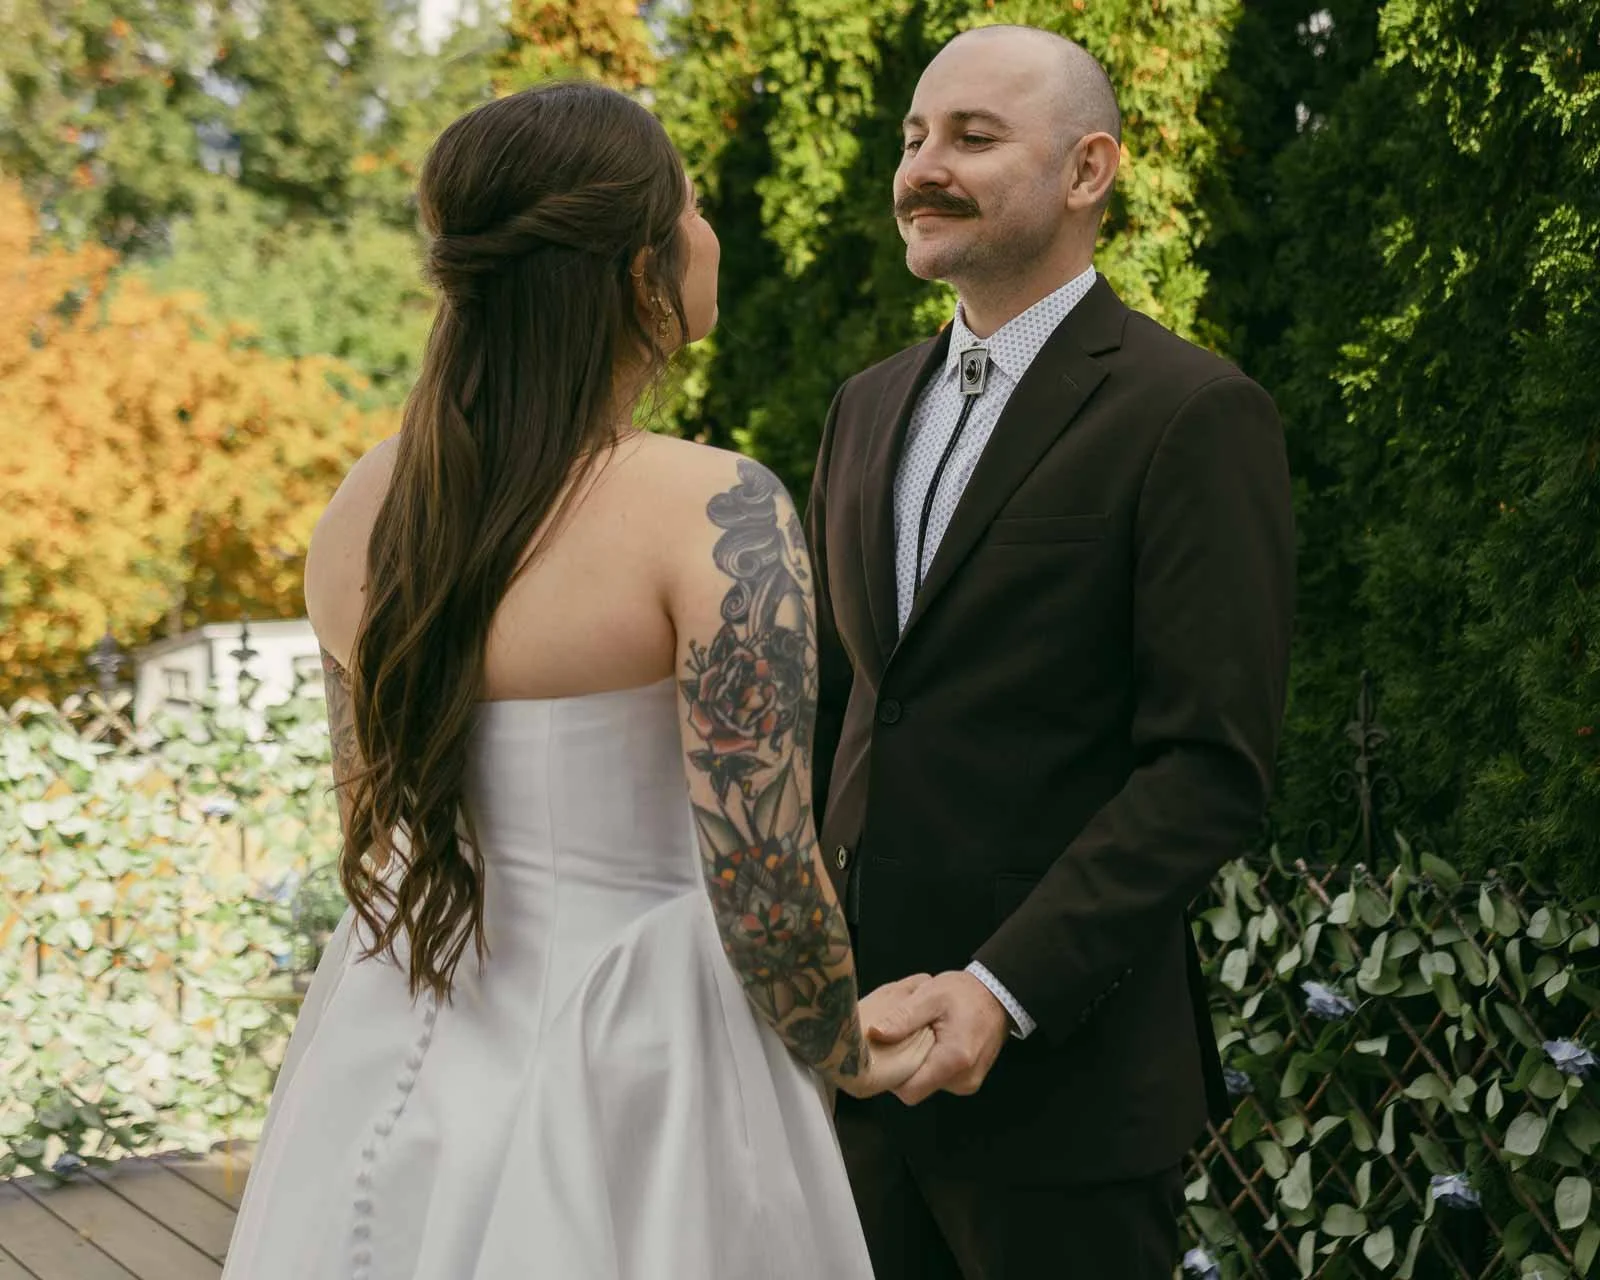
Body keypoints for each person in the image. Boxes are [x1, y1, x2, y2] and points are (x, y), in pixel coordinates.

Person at [222, 81, 930, 1280]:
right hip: (643, 1071)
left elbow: (373, 813)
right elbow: (760, 866)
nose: (709, 231)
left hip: (405, 1038)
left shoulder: (360, 508)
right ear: (639, 273)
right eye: (692, 205)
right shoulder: (710, 509)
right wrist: (848, 1045)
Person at [807, 25, 1296, 1279]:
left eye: (973, 138)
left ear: (1088, 171)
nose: (924, 165)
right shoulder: (864, 406)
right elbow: (848, 716)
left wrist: (998, 989)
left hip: (1061, 1088)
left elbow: (1205, 766)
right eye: (915, 136)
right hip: (856, 1081)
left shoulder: (1188, 412)